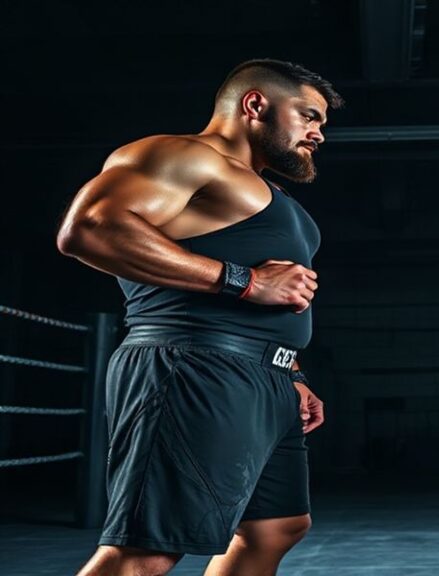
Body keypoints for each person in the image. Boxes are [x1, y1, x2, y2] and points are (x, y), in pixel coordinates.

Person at [57, 58, 343, 576]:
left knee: (275, 527)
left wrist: (290, 372)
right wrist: (247, 281)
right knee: (147, 547)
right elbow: (92, 227)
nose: (318, 132)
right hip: (193, 367)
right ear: (255, 104)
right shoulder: (182, 155)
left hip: (262, 375)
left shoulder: (263, 189)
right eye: (308, 116)